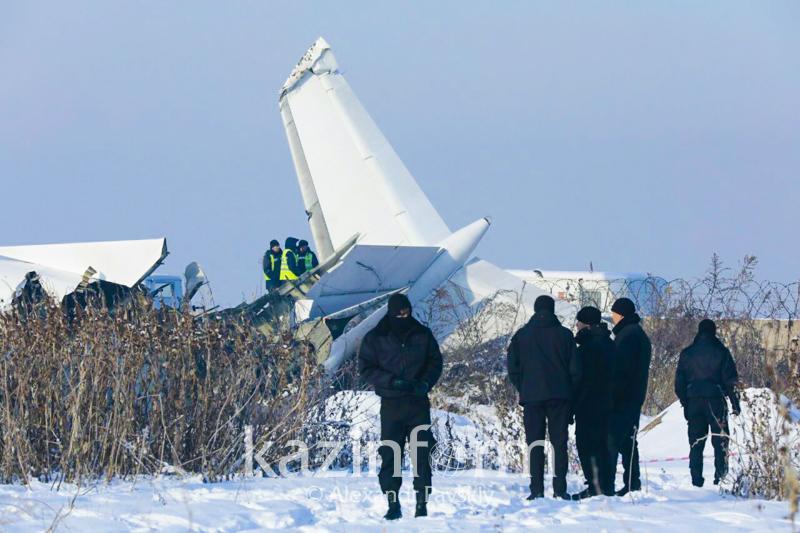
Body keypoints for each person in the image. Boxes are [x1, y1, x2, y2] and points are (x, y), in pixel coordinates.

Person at [358, 294, 443, 520]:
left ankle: (421, 504)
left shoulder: (422, 334)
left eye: (407, 312)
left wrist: (425, 382)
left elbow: (435, 362)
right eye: (399, 313)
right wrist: (390, 381)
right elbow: (366, 367)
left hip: (417, 403)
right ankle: (392, 503)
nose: (404, 316)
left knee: (421, 455)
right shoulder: (376, 337)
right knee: (390, 454)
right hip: (391, 404)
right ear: (391, 312)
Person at [507, 295, 580, 500]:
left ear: (535, 309)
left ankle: (536, 489)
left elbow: (512, 367)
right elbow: (575, 369)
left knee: (535, 444)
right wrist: (568, 391)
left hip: (532, 397)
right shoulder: (565, 335)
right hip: (559, 397)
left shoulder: (521, 336)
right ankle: (559, 489)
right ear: (553, 309)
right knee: (559, 444)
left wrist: (524, 387)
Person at [675, 319, 740, 487]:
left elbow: (679, 383)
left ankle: (696, 478)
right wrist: (735, 404)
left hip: (694, 401)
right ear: (714, 332)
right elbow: (730, 381)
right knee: (720, 440)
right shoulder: (722, 352)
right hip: (716, 400)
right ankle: (721, 477)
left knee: (696, 442)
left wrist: (686, 401)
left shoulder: (687, 353)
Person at [608, 297, 652, 496]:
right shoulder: (637, 333)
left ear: (621, 314)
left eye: (614, 313)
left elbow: (621, 370)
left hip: (624, 397)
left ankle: (608, 483)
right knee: (628, 441)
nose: (612, 317)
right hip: (634, 395)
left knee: (615, 439)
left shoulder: (628, 336)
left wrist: (613, 394)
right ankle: (632, 482)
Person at [571, 306, 615, 499]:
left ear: (586, 325)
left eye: (578, 322)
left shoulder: (585, 349)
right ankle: (606, 484)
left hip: (587, 404)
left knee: (588, 445)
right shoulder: (611, 344)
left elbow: (578, 379)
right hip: (610, 403)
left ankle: (595, 484)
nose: (576, 326)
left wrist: (573, 403)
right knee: (603, 445)